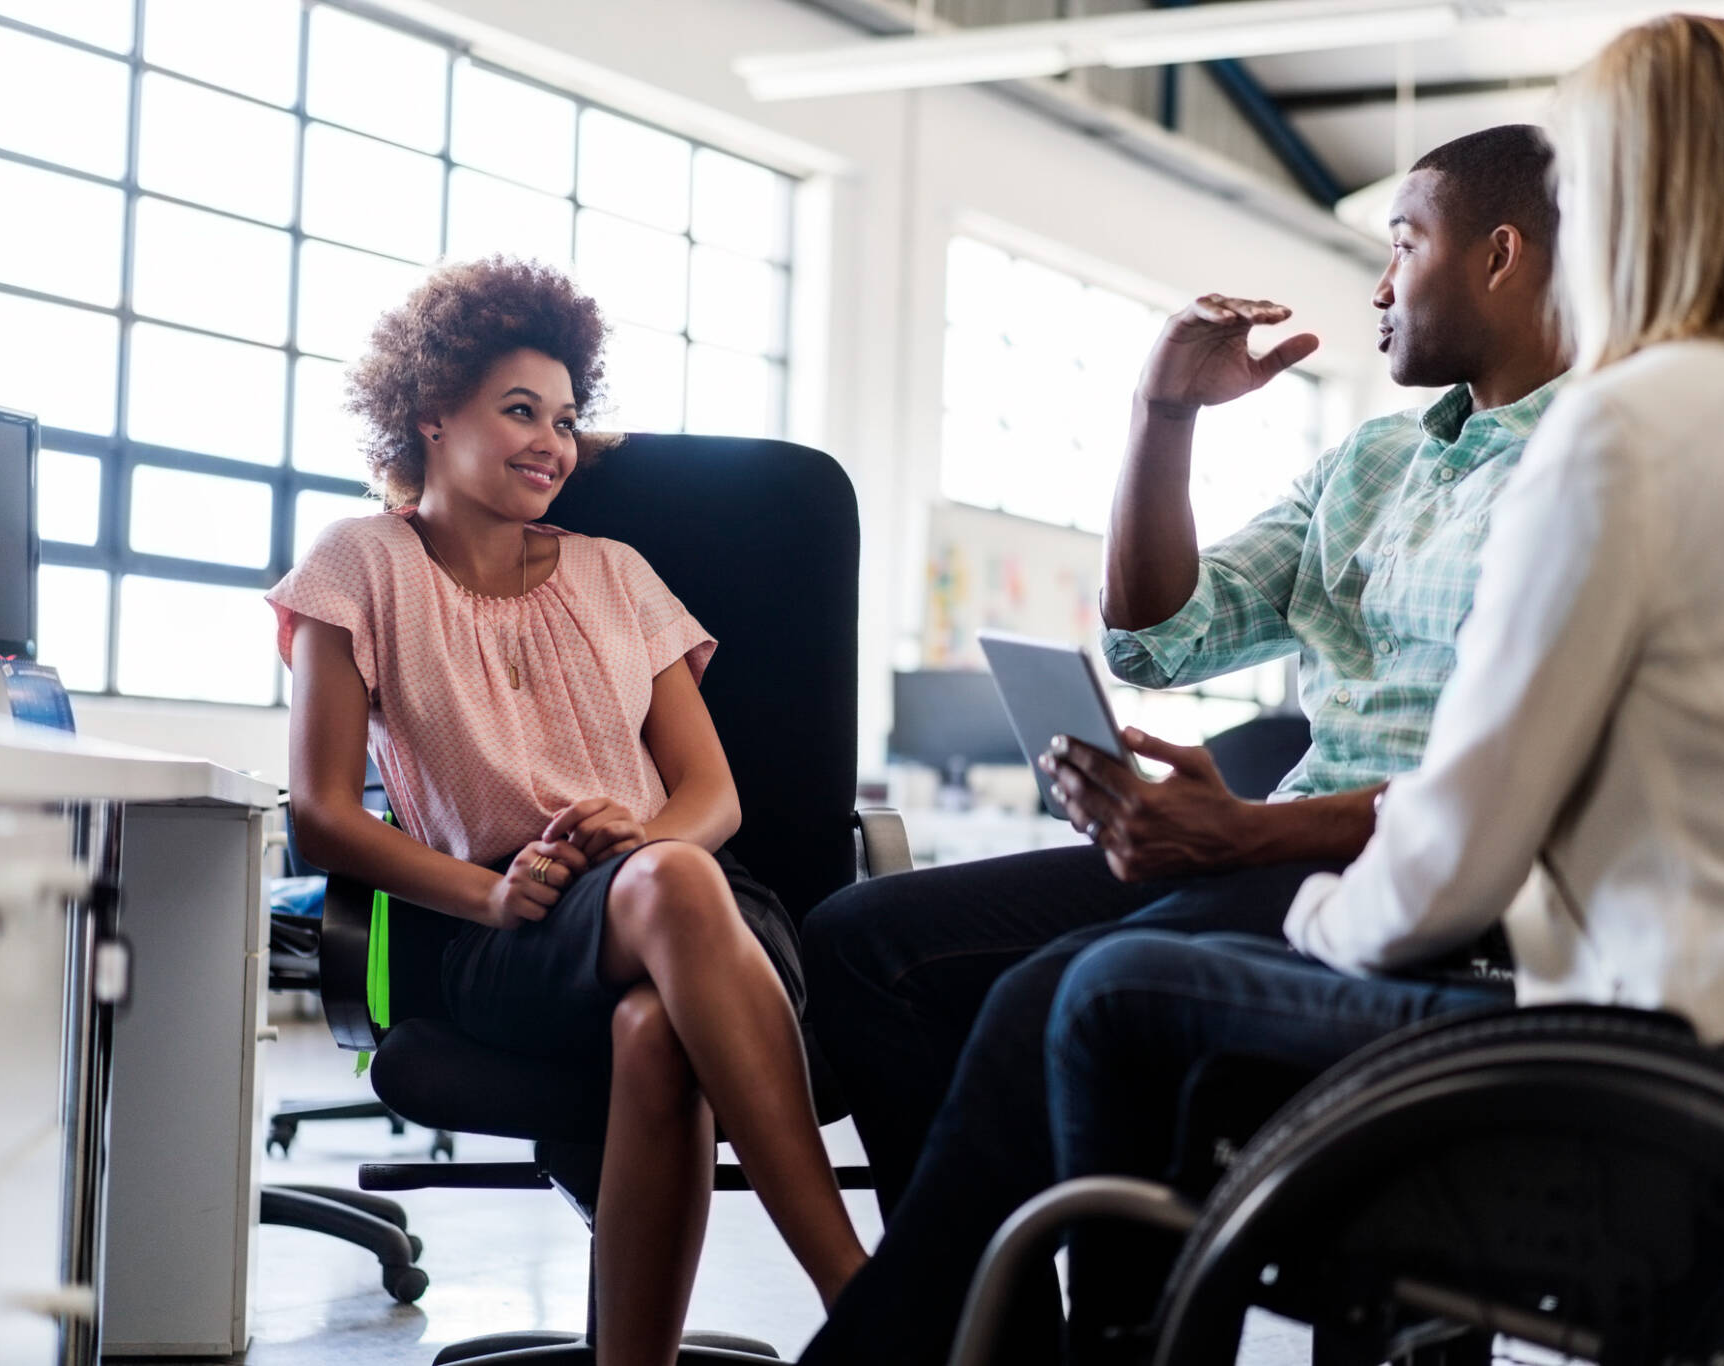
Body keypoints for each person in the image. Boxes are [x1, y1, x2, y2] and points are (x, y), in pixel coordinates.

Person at [1038, 12, 1724, 1360]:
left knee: (1120, 992)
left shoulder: (1630, 425)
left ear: (1612, 203)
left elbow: (1456, 853)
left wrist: (1303, 918)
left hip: (1641, 1105)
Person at [799, 124, 1569, 1365]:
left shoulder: (1588, 466)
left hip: (1410, 877)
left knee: (1073, 996)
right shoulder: (1375, 460)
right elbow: (1159, 639)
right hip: (1278, 849)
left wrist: (1241, 829)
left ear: (1496, 255)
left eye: (1401, 245)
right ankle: (1002, 1338)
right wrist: (1162, 417)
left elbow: (1522, 785)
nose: (1377, 287)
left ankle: (907, 1346)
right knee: (864, 942)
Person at [269, 258, 866, 1366]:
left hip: (698, 906)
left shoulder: (617, 572)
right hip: (511, 936)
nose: (552, 440)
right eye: (518, 411)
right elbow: (322, 817)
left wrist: (638, 838)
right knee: (665, 911)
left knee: (657, 1016)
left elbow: (711, 798)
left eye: (565, 416)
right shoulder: (358, 566)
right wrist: (493, 896)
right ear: (431, 414)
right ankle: (866, 1299)